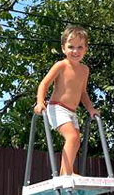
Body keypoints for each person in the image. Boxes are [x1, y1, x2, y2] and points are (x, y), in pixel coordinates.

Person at [35, 25, 99, 175]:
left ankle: (65, 171)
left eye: (80, 47)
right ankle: (66, 173)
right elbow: (44, 84)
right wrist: (40, 102)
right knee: (72, 136)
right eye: (71, 47)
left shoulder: (84, 70)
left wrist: (91, 109)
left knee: (76, 141)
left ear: (86, 49)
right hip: (57, 107)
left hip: (72, 112)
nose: (75, 51)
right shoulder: (61, 65)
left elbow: (83, 93)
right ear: (63, 48)